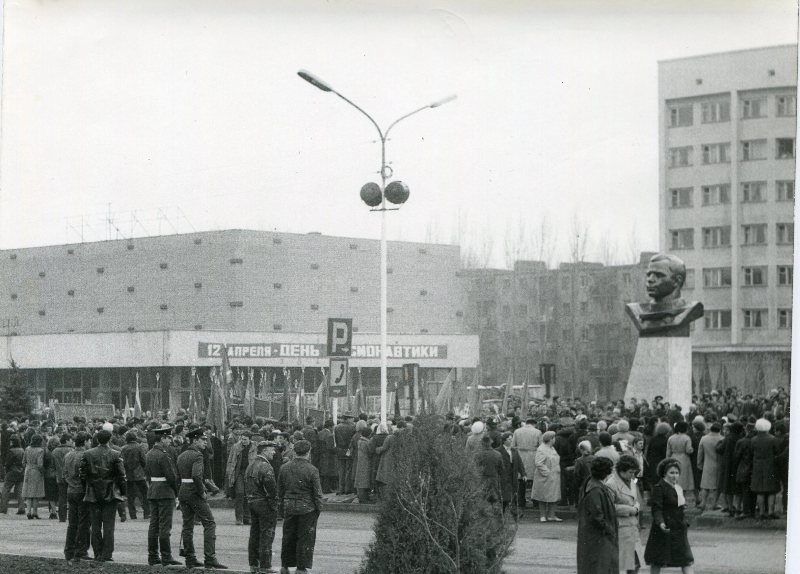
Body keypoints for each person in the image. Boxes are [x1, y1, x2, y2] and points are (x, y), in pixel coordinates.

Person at [177, 428, 227, 569]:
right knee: (209, 523)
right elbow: (196, 475)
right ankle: (210, 558)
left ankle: (190, 558)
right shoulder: (198, 455)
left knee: (187, 526)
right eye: (203, 440)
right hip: (194, 492)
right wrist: (202, 492)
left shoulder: (182, 455)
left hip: (183, 492)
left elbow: (178, 476)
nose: (206, 442)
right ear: (195, 440)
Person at [80, 429, 127, 562]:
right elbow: (121, 476)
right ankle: (107, 553)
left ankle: (97, 553)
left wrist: (87, 488)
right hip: (110, 493)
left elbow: (82, 475)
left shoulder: (88, 453)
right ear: (110, 439)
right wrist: (123, 492)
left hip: (93, 492)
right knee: (108, 526)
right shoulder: (115, 454)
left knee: (95, 525)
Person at [277, 439, 323, 574]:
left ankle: (285, 566)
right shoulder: (312, 470)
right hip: (307, 508)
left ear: (294, 451)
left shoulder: (284, 468)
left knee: (288, 537)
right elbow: (317, 493)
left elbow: (280, 491)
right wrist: (318, 509)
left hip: (289, 506)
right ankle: (301, 568)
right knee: (305, 538)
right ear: (308, 452)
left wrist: (281, 507)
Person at [644, 458, 695, 574]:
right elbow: (656, 509)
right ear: (664, 473)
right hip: (664, 528)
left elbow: (680, 507)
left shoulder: (678, 488)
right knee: (657, 560)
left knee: (686, 560)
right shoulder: (659, 488)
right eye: (671, 473)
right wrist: (661, 522)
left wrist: (684, 519)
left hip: (678, 528)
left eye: (677, 473)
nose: (675, 476)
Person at [145, 424, 181, 567]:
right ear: (163, 438)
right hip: (165, 491)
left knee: (154, 524)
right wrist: (176, 492)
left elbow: (147, 474)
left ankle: (152, 555)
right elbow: (171, 476)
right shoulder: (163, 455)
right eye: (168, 438)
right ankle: (166, 556)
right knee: (165, 525)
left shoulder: (149, 454)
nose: (170, 441)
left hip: (153, 489)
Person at [576, 457, 618, 574]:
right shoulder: (596, 489)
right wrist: (610, 530)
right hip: (598, 537)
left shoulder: (592, 484)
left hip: (595, 535)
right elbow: (596, 516)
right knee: (599, 566)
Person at [245, 440, 279, 574]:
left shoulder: (251, 464)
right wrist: (274, 504)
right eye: (272, 449)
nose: (274, 452)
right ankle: (265, 565)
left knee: (254, 533)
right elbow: (271, 488)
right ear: (264, 450)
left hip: (252, 502)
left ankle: (254, 564)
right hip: (264, 503)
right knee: (267, 534)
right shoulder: (266, 466)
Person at [605, 455, 642, 574]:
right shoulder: (611, 484)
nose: (633, 475)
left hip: (632, 527)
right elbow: (609, 507)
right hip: (620, 528)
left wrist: (636, 508)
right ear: (622, 470)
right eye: (631, 472)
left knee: (636, 563)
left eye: (634, 472)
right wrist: (631, 509)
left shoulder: (631, 481)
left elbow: (635, 501)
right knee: (620, 564)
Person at [63, 432, 90, 564]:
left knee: (72, 522)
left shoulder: (68, 455)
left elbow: (65, 474)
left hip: (71, 490)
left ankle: (69, 550)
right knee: (83, 522)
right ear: (85, 442)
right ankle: (81, 550)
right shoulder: (85, 455)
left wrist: (70, 482)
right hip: (82, 490)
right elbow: (86, 475)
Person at [749, 418, 780, 519]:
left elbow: (751, 453)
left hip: (757, 466)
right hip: (770, 466)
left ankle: (761, 512)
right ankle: (771, 511)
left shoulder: (753, 440)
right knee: (772, 490)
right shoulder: (773, 439)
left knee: (760, 490)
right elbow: (777, 452)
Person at [226, 431, 256, 525]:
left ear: (250, 439)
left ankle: (247, 517)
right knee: (239, 493)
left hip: (250, 473)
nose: (243, 441)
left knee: (248, 495)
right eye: (242, 439)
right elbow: (230, 461)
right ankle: (239, 518)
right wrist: (229, 474)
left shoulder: (255, 447)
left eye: (245, 439)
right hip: (239, 472)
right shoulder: (235, 447)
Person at [511, 417, 542, 508]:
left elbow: (513, 445)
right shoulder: (538, 432)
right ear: (534, 424)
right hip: (533, 456)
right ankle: (535, 502)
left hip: (520, 455)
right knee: (534, 480)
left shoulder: (517, 431)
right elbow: (540, 447)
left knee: (521, 479)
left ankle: (521, 502)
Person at [533, 430, 561, 522]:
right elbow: (538, 463)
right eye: (554, 438)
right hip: (544, 476)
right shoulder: (541, 449)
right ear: (550, 439)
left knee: (553, 496)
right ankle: (542, 515)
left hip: (554, 476)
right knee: (543, 496)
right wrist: (547, 473)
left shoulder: (552, 448)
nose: (555, 440)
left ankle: (551, 515)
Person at [122, 431, 150, 520]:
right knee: (144, 495)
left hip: (128, 475)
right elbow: (144, 461)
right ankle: (146, 513)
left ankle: (132, 515)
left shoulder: (123, 448)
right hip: (139, 475)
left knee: (130, 497)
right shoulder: (139, 447)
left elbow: (122, 462)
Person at [496, 431, 526, 515]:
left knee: (513, 493)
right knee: (505, 495)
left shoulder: (514, 451)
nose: (511, 440)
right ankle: (509, 512)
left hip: (513, 476)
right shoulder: (498, 451)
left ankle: (513, 512)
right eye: (509, 439)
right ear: (504, 440)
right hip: (503, 476)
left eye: (511, 439)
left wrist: (523, 474)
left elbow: (520, 463)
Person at [696, 422, 723, 511]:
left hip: (707, 464)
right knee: (716, 486)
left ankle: (703, 503)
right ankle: (714, 504)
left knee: (705, 486)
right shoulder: (722, 439)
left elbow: (700, 453)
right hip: (719, 465)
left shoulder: (704, 439)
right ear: (719, 430)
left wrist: (699, 464)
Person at [666, 421, 695, 503]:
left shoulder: (671, 438)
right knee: (684, 480)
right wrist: (692, 450)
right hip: (684, 459)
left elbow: (668, 452)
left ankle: (674, 499)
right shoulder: (686, 438)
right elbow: (688, 450)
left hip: (673, 458)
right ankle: (682, 500)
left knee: (674, 479)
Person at [21, 433, 46, 519]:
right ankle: (35, 512)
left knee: (28, 492)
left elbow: (23, 462)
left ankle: (28, 512)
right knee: (36, 493)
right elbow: (40, 464)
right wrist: (43, 472)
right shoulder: (40, 450)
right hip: (36, 472)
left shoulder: (27, 449)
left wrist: (27, 467)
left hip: (27, 471)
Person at [0, 435, 26, 515]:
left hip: (11, 472)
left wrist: (6, 470)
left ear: (13, 442)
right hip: (21, 472)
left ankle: (3, 508)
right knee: (19, 491)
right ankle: (21, 508)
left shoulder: (11, 451)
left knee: (6, 490)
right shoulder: (22, 450)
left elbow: (8, 463)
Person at [52, 433, 74, 522]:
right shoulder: (71, 450)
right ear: (67, 440)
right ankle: (72, 516)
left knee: (62, 497)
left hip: (59, 477)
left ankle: (62, 517)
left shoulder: (55, 451)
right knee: (72, 498)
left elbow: (53, 465)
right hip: (70, 477)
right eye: (71, 440)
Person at [333, 414, 356, 495]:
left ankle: (341, 489)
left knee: (341, 470)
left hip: (339, 450)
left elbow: (335, 439)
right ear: (348, 418)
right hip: (349, 450)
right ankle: (347, 489)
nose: (353, 419)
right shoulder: (353, 427)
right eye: (351, 418)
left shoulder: (337, 427)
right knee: (348, 470)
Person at [354, 427, 373, 503]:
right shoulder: (366, 442)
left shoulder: (360, 441)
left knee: (360, 479)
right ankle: (363, 498)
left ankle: (360, 496)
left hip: (360, 462)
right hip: (366, 463)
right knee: (364, 480)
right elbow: (370, 452)